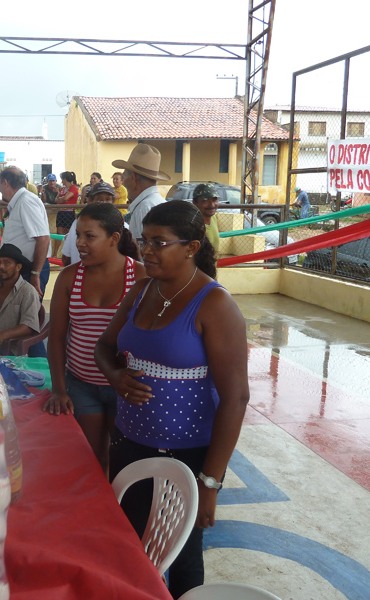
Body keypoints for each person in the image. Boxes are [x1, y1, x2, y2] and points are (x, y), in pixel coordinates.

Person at [94, 200, 249, 598]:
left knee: (180, 554)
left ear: (191, 247)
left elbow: (235, 398)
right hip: (129, 443)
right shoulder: (142, 289)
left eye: (158, 243)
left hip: (187, 456)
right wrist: (116, 377)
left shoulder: (215, 305)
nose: (146, 251)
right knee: (129, 541)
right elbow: (104, 346)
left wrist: (210, 483)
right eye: (144, 241)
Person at [45, 203, 145, 475]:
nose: (79, 243)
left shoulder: (139, 277)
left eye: (89, 236)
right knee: (92, 459)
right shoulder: (69, 278)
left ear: (114, 239)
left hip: (124, 387)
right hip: (81, 385)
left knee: (121, 460)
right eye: (77, 235)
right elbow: (56, 338)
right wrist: (59, 389)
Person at [0, 166, 51, 298]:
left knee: (28, 313)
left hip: (30, 269)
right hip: (23, 269)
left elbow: (43, 238)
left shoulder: (25, 202)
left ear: (5, 182)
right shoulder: (20, 201)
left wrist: (35, 274)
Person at [113, 143, 169, 240]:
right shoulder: (157, 203)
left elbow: (143, 252)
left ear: (133, 177)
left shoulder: (144, 208)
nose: (124, 182)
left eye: (124, 176)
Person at [61, 180, 117, 266]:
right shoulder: (77, 224)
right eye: (99, 199)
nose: (104, 203)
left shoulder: (120, 226)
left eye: (108, 199)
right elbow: (66, 258)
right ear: (90, 200)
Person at [54, 171, 79, 256]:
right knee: (59, 232)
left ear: (65, 179)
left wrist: (62, 199)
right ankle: (55, 254)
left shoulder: (73, 187)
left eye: (62, 179)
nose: (61, 181)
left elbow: (65, 198)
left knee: (69, 233)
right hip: (61, 212)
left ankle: (69, 253)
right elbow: (56, 199)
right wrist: (63, 199)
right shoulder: (62, 188)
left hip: (69, 213)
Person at [192, 183, 220, 256]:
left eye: (214, 200)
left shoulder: (213, 218)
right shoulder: (193, 226)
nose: (212, 205)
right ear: (194, 203)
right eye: (205, 201)